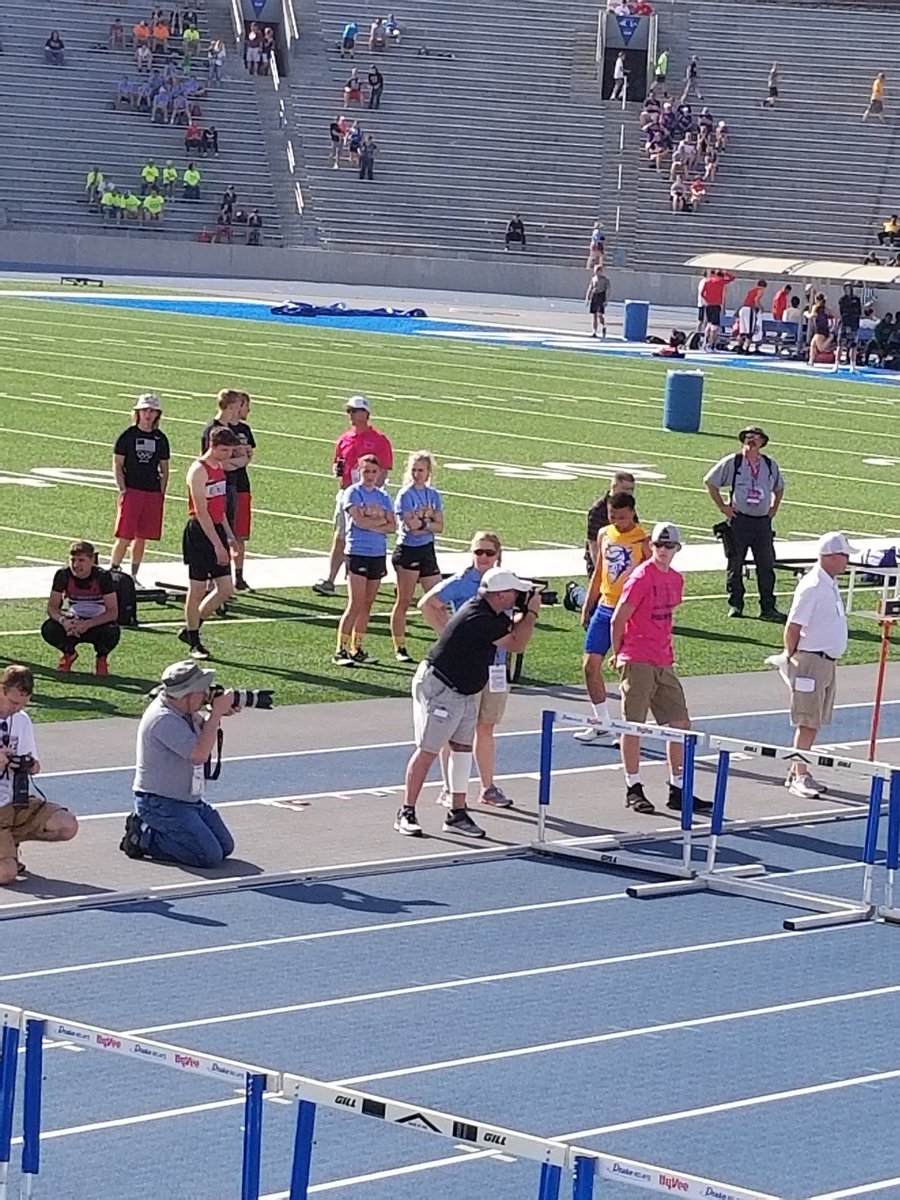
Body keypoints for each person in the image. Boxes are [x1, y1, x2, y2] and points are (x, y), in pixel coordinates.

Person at [396, 564, 541, 838]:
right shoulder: (479, 616)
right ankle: (406, 811)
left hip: (463, 689)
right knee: (428, 750)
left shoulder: (489, 612)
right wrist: (531, 612)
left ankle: (457, 813)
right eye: (514, 593)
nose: (517, 597)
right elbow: (517, 643)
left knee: (462, 750)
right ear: (499, 595)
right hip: (441, 686)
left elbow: (512, 634)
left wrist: (524, 610)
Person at [610, 524, 711, 816]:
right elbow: (618, 620)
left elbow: (665, 621)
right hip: (637, 658)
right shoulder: (641, 577)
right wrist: (620, 656)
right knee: (634, 724)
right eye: (658, 545)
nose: (663, 551)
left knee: (680, 723)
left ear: (678, 549)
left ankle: (678, 788)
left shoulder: (676, 580)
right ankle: (633, 786)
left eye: (669, 546)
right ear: (650, 546)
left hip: (663, 660)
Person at [419, 532, 517, 809]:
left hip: (495, 665)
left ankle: (488, 786)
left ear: (498, 554)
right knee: (454, 731)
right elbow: (428, 603)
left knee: (486, 727)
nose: (483, 557)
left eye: (488, 552)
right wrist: (451, 635)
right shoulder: (463, 581)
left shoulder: (506, 581)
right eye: (478, 552)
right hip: (466, 668)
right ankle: (450, 788)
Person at [121, 661, 238, 867]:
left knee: (225, 846)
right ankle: (144, 835)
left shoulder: (184, 711)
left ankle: (167, 832)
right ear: (188, 694)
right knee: (208, 856)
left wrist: (216, 713)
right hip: (160, 802)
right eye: (201, 691)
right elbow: (199, 754)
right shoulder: (163, 719)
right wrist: (216, 714)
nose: (205, 695)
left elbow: (204, 736)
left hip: (189, 801)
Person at [780, 533, 854, 799]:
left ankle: (797, 770)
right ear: (831, 557)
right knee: (807, 721)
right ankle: (800, 775)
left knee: (814, 720)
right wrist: (792, 656)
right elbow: (793, 626)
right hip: (811, 661)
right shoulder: (812, 585)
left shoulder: (828, 583)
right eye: (844, 556)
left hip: (824, 662)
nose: (847, 561)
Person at [575, 493, 650, 744]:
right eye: (613, 516)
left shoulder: (643, 540)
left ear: (632, 512)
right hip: (605, 606)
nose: (617, 521)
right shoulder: (604, 534)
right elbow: (600, 570)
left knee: (627, 670)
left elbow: (651, 577)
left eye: (622, 516)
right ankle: (602, 722)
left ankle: (629, 729)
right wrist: (589, 602)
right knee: (590, 665)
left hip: (630, 611)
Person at [0, 665, 78, 886]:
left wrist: (29, 765)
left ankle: (9, 844)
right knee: (6, 874)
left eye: (22, 704)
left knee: (67, 825)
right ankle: (7, 856)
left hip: (14, 800)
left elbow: (34, 763)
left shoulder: (22, 720)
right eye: (13, 703)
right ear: (1, 690)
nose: (16, 709)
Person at [313, 395, 394, 596]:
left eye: (354, 411)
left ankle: (366, 575)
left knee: (372, 533)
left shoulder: (380, 440)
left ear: (366, 413)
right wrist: (338, 470)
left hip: (370, 494)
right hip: (347, 492)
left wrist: (373, 493)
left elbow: (384, 469)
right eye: (349, 411)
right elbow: (337, 464)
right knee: (341, 534)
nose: (350, 414)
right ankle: (331, 578)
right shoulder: (344, 438)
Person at [704, 426, 786, 622]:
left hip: (762, 524)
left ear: (762, 442)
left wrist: (773, 509)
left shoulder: (769, 464)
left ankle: (768, 607)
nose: (751, 440)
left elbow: (780, 487)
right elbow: (710, 481)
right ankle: (736, 604)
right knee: (735, 564)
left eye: (755, 438)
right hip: (739, 521)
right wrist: (723, 507)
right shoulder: (734, 462)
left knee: (766, 565)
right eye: (748, 437)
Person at [179, 427, 240, 660]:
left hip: (216, 530)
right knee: (197, 589)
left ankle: (192, 627)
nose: (227, 455)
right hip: (199, 533)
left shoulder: (219, 468)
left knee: (225, 588)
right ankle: (194, 642)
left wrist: (229, 535)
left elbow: (219, 507)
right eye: (224, 450)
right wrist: (217, 544)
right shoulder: (198, 470)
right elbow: (202, 512)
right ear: (212, 446)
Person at [333, 455, 395, 665]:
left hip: (377, 553)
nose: (369, 476)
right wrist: (378, 522)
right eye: (366, 471)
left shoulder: (383, 496)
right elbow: (358, 522)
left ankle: (357, 647)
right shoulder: (353, 492)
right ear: (359, 471)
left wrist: (372, 523)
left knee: (367, 605)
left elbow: (393, 526)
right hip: (358, 551)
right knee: (355, 603)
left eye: (373, 472)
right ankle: (340, 649)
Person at [110, 393, 170, 583]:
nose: (148, 414)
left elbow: (164, 468)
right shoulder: (128, 436)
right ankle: (114, 569)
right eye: (145, 410)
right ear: (138, 412)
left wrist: (161, 491)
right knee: (125, 535)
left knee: (142, 536)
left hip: (151, 491)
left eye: (152, 411)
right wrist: (122, 488)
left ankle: (134, 574)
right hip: (132, 489)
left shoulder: (160, 438)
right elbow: (118, 464)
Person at [390, 451, 444, 662]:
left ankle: (447, 642)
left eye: (421, 470)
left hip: (427, 550)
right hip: (408, 550)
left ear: (428, 472)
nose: (417, 474)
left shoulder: (433, 495)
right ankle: (400, 646)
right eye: (414, 470)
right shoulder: (405, 495)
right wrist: (427, 523)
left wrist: (424, 524)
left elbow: (440, 526)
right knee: (404, 600)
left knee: (438, 600)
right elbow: (411, 528)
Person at [201, 389, 256, 590]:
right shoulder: (214, 430)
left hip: (236, 484)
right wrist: (239, 461)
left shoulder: (238, 429)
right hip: (219, 485)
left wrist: (240, 461)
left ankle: (235, 576)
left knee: (235, 532)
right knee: (219, 530)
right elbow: (215, 463)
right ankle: (212, 577)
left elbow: (247, 457)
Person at [41, 541, 121, 675]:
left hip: (97, 622)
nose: (76, 565)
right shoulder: (63, 575)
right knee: (49, 628)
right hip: (74, 621)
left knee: (112, 630)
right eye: (73, 560)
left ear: (92, 560)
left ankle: (101, 657)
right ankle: (69, 653)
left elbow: (112, 612)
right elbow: (52, 608)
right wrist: (63, 621)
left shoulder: (103, 577)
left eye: (81, 560)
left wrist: (88, 624)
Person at [700, 268, 735, 351]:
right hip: (716, 305)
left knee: (709, 324)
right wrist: (726, 272)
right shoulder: (721, 282)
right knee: (714, 327)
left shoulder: (707, 281)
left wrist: (707, 300)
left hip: (708, 305)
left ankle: (705, 342)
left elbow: (702, 293)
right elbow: (732, 278)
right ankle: (711, 345)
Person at [836, 283, 862, 371]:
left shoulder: (856, 299)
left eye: (850, 288)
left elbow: (859, 312)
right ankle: (836, 365)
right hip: (844, 324)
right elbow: (842, 312)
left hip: (854, 325)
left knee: (853, 346)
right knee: (840, 344)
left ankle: (853, 366)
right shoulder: (842, 300)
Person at [737, 279, 767, 352]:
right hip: (749, 309)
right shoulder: (760, 290)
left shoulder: (752, 290)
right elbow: (756, 300)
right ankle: (746, 348)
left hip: (743, 308)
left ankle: (739, 347)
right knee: (749, 331)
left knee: (742, 330)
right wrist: (761, 308)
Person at [585, 265, 610, 337]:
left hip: (601, 296)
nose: (596, 272)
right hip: (594, 296)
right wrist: (587, 298)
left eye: (598, 271)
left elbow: (608, 290)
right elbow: (590, 288)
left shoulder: (605, 280)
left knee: (600, 315)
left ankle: (603, 326)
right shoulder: (593, 279)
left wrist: (606, 300)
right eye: (595, 270)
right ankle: (594, 331)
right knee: (594, 315)